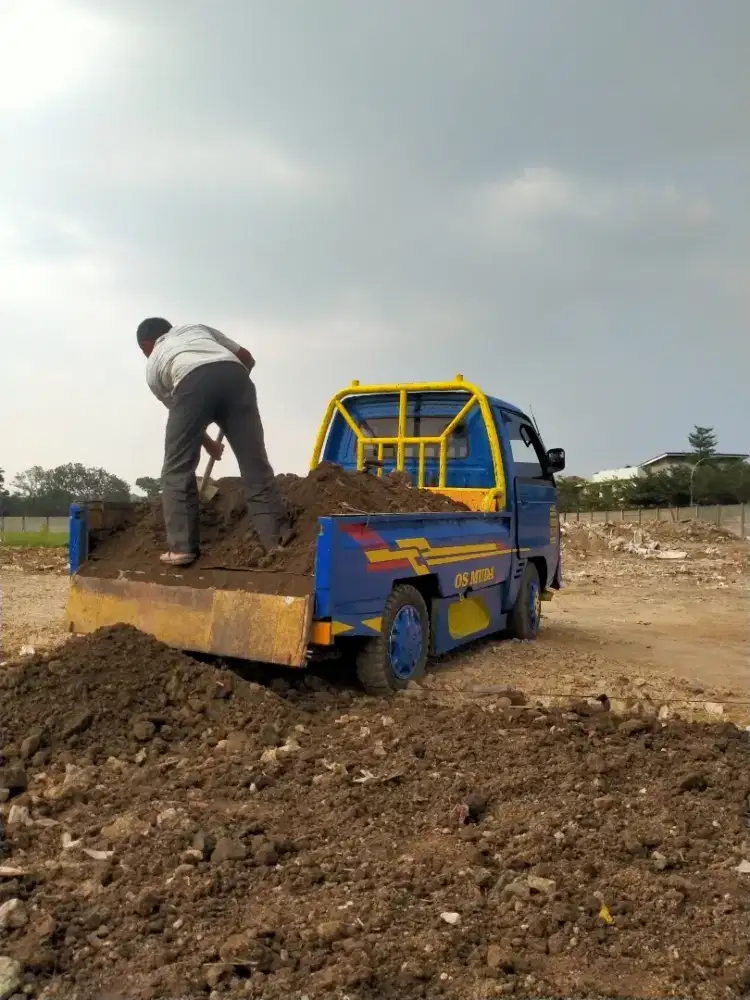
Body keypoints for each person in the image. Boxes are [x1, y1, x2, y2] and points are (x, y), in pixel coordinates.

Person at [136, 317, 290, 567]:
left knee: (176, 469)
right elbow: (247, 358)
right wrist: (227, 386)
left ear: (146, 345)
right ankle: (275, 540)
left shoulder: (153, 366)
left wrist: (212, 392)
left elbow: (184, 416)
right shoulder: (195, 328)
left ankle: (182, 548)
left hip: (190, 382)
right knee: (255, 466)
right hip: (236, 376)